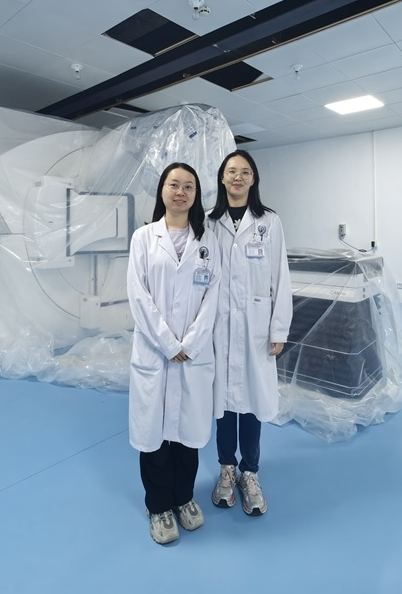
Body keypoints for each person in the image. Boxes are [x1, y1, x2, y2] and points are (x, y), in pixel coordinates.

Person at [127, 162, 220, 545]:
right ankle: (158, 505)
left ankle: (183, 498)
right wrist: (169, 343)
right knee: (154, 437)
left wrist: (191, 343)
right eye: (174, 184)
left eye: (188, 186)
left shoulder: (208, 240)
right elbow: (138, 296)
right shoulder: (144, 238)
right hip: (156, 353)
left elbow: (213, 295)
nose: (180, 192)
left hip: (193, 355)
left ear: (196, 195)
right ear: (162, 190)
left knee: (188, 436)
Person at [207, 150, 292, 516]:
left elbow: (280, 277)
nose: (237, 177)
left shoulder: (269, 222)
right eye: (231, 171)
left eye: (245, 171)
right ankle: (227, 469)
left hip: (257, 325)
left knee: (254, 399)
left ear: (254, 179)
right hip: (219, 326)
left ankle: (250, 472)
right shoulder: (209, 222)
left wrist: (279, 328)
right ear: (222, 178)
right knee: (223, 401)